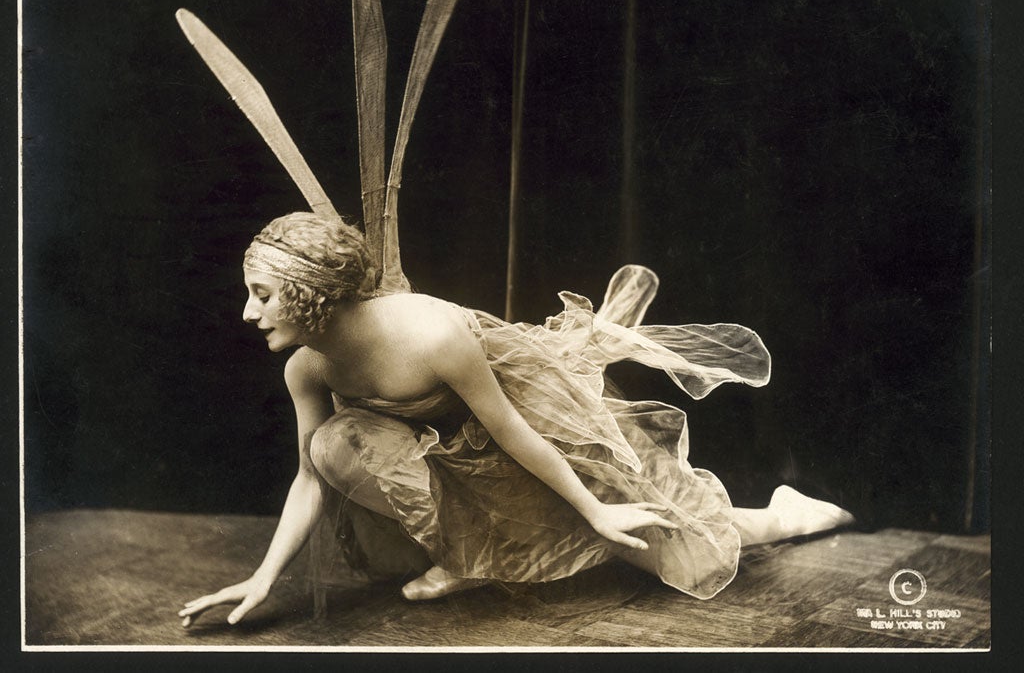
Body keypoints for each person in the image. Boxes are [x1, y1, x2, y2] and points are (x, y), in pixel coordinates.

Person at [178, 211, 853, 627]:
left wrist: (594, 510)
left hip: (540, 432)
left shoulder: (432, 334)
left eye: (262, 294)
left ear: (308, 292)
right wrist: (265, 576)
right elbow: (310, 478)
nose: (247, 311)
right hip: (456, 467)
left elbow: (513, 429)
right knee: (333, 443)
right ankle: (462, 555)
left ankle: (786, 513)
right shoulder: (309, 368)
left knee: (680, 546)